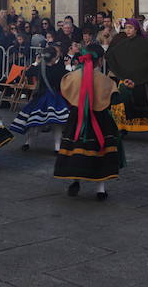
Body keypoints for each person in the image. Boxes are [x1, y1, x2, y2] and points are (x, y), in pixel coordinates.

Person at [53, 43, 122, 201]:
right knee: (100, 152)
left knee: (76, 149)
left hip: (77, 117)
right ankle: (101, 189)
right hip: (100, 119)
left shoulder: (73, 76)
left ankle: (75, 181)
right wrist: (128, 89)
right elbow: (116, 99)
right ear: (100, 61)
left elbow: (64, 91)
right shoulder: (106, 81)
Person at [106, 19, 148, 144]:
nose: (127, 30)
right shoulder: (122, 43)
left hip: (145, 80)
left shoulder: (145, 42)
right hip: (127, 80)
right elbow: (111, 54)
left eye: (130, 28)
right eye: (126, 27)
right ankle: (122, 129)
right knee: (122, 105)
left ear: (136, 29)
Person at [9, 46, 69, 151]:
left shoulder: (38, 68)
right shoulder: (59, 69)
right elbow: (67, 76)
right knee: (57, 124)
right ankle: (57, 147)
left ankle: (27, 143)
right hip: (54, 98)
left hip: (40, 97)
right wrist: (68, 66)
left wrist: (36, 62)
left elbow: (27, 73)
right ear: (54, 58)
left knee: (33, 121)